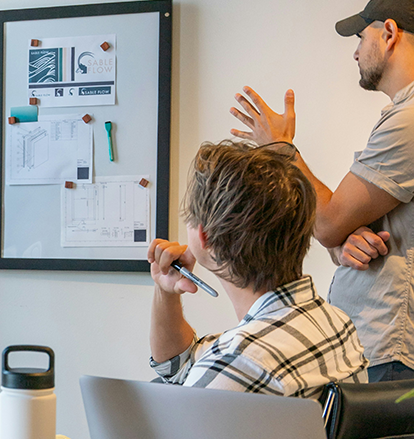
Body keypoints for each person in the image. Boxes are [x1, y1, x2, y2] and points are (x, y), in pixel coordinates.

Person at [229, 0, 414, 382]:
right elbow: (339, 226)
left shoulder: (409, 121)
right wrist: (343, 241)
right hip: (378, 345)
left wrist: (280, 147)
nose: (356, 51)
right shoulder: (401, 116)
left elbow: (327, 221)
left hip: (393, 350)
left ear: (390, 34)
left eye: (362, 38)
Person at [148, 140, 367, 398]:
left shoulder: (236, 364)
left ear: (204, 237)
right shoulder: (336, 323)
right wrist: (167, 292)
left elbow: (208, 374)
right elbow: (179, 367)